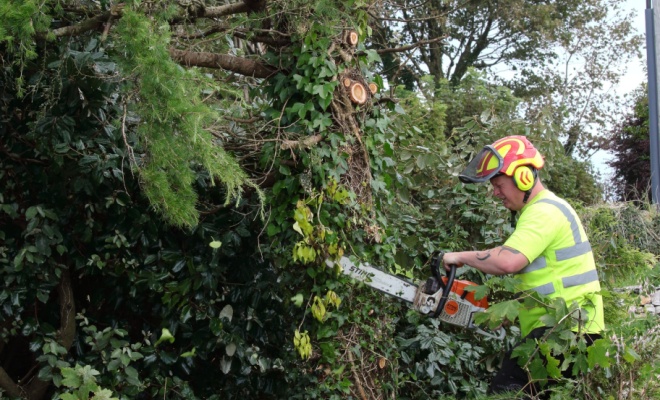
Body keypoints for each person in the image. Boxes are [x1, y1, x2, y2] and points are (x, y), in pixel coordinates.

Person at [441, 135, 604, 396]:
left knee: (506, 391)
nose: (495, 193)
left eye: (499, 185)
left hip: (565, 330)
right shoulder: (542, 211)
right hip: (567, 328)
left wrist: (458, 256)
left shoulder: (544, 211)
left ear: (524, 177)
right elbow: (545, 279)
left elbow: (507, 260)